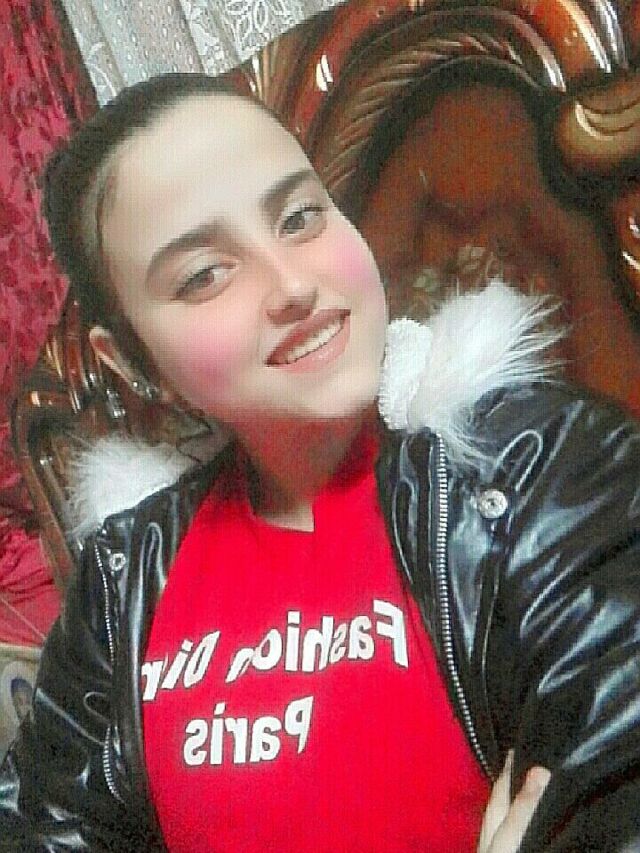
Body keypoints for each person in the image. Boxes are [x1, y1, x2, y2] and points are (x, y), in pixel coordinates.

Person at [0, 71, 638, 852]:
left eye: (300, 217)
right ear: (135, 360)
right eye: (204, 274)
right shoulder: (125, 579)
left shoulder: (543, 471)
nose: (292, 285)